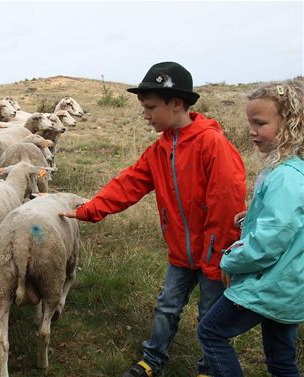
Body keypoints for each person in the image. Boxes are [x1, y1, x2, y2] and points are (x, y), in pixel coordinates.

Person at [59, 61, 247, 377]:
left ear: (177, 103)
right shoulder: (160, 149)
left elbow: (226, 205)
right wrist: (89, 210)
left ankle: (208, 368)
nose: (145, 114)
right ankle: (153, 360)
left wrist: (218, 257)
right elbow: (128, 184)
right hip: (180, 252)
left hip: (214, 255)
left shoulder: (211, 144)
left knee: (210, 314)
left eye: (150, 107)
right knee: (167, 307)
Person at [198, 80, 304, 377]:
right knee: (282, 360)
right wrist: (253, 215)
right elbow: (291, 221)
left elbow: (269, 241)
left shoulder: (284, 177)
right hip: (290, 287)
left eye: (260, 123)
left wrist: (229, 260)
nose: (252, 131)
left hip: (267, 284)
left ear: (291, 124)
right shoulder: (296, 171)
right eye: (250, 123)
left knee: (211, 332)